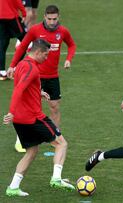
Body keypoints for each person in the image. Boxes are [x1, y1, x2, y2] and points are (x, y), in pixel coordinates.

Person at [3, 38, 75, 197]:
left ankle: (13, 187)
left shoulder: (22, 64)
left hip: (20, 120)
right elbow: (19, 89)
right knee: (61, 143)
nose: (47, 57)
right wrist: (11, 111)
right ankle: (56, 179)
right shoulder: (32, 69)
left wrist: (38, 92)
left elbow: (22, 84)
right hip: (33, 117)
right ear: (38, 52)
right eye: (46, 54)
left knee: (31, 151)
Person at [7, 5, 76, 153]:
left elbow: (72, 45)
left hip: (53, 77)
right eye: (49, 19)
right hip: (34, 76)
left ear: (58, 18)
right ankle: (21, 139)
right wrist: (13, 65)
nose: (52, 22)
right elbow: (22, 46)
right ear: (44, 17)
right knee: (29, 110)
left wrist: (69, 59)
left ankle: (54, 138)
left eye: (55, 19)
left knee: (55, 107)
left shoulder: (63, 31)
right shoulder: (35, 30)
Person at [0, 0, 27, 80]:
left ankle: (2, 72)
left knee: (2, 44)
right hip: (12, 18)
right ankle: (14, 69)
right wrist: (24, 13)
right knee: (27, 41)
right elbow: (17, 1)